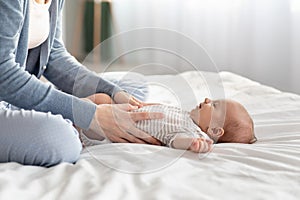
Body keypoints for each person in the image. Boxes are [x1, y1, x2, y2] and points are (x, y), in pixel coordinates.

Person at [0, 0, 163, 167]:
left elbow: (54, 56)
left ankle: (77, 121)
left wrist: (113, 92)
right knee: (63, 143)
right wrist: (90, 114)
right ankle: (77, 124)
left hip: (16, 97)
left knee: (133, 85)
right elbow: (4, 75)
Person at [81, 94, 257, 153]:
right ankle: (69, 109)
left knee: (88, 114)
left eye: (215, 105)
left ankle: (70, 120)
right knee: (102, 98)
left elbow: (176, 141)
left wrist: (192, 144)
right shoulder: (186, 114)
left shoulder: (192, 132)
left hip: (112, 130)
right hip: (119, 113)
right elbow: (159, 108)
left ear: (215, 130)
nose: (207, 99)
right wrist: (144, 105)